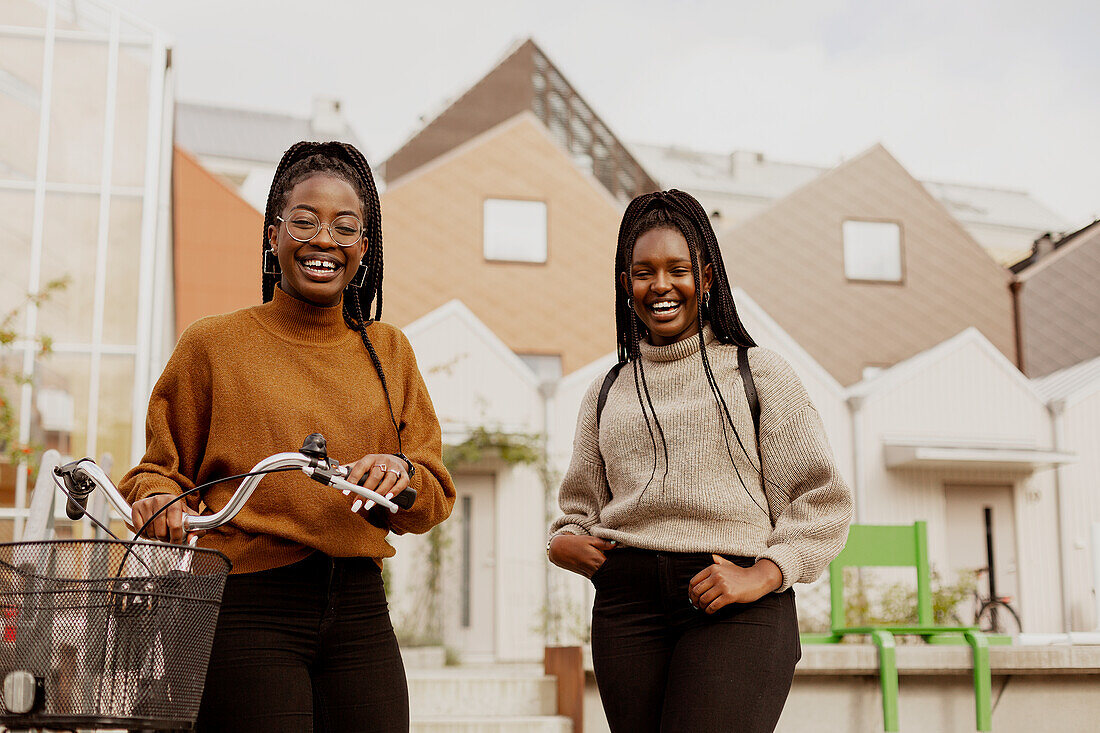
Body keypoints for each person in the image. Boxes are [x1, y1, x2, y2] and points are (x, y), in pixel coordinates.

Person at [121, 141, 455, 733]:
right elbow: (160, 469)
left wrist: (400, 478)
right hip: (247, 604)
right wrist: (155, 501)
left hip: (358, 605)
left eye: (344, 228)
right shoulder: (213, 345)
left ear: (364, 249)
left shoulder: (389, 351)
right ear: (273, 236)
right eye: (304, 221)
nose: (324, 240)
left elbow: (432, 492)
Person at [547, 190, 853, 733]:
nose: (660, 285)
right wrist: (564, 540)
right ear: (626, 285)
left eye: (678, 270)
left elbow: (820, 501)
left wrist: (766, 571)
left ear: (706, 278)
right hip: (627, 610)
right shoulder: (606, 390)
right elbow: (580, 506)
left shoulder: (758, 374)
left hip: (735, 600)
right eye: (643, 272)